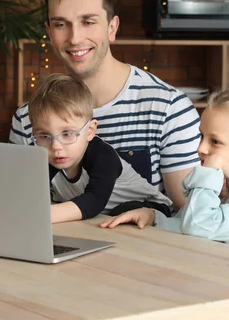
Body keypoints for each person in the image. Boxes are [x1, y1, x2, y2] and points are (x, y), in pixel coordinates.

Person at [9, 0, 201, 211]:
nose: (75, 38)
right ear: (49, 32)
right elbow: (21, 206)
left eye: (88, 22)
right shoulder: (27, 120)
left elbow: (189, 216)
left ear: (112, 28)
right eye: (60, 24)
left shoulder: (168, 109)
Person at [100, 88, 229, 260]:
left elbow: (199, 228)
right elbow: (189, 222)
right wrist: (155, 218)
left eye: (215, 141)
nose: (200, 148)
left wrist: (209, 171)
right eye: (202, 136)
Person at [28, 73, 173, 223]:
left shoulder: (102, 155)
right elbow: (29, 192)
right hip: (100, 218)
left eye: (67, 134)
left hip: (149, 208)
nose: (56, 146)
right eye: (44, 136)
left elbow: (93, 201)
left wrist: (37, 215)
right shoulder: (43, 153)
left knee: (122, 212)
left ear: (90, 131)